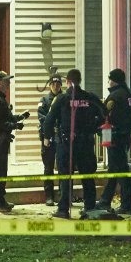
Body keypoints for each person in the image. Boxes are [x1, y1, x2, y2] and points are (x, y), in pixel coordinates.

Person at [44, 68, 104, 219]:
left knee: (65, 177)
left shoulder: (62, 99)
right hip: (85, 143)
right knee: (87, 176)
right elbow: (104, 115)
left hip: (67, 144)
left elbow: (49, 120)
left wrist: (48, 137)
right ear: (80, 81)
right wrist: (93, 127)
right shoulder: (90, 98)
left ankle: (63, 209)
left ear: (67, 82)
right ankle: (89, 207)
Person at [96, 68, 131, 215]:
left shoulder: (114, 96)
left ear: (113, 80)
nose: (108, 81)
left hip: (115, 137)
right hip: (126, 136)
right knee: (114, 169)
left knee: (121, 170)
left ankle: (127, 205)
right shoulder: (130, 94)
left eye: (109, 79)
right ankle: (105, 200)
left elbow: (104, 115)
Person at [0, 70, 28, 213]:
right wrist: (14, 126)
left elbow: (7, 118)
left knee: (2, 171)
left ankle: (0, 199)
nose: (8, 83)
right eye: (6, 81)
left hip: (2, 141)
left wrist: (20, 117)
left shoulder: (2, 99)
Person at [37, 74, 62, 207]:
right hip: (48, 137)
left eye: (58, 84)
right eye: (53, 84)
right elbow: (42, 117)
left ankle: (64, 195)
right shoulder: (44, 100)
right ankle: (49, 196)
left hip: (62, 138)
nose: (55, 86)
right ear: (50, 85)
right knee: (48, 167)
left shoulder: (65, 98)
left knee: (64, 168)